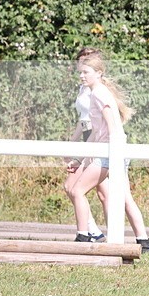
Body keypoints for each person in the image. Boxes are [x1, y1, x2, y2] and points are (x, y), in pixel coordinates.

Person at [63, 52, 149, 252]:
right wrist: (81, 158)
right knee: (122, 197)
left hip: (111, 151)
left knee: (77, 190)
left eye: (86, 72)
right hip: (108, 150)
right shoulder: (96, 92)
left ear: (98, 73)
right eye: (81, 72)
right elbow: (97, 131)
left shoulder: (99, 93)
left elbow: (112, 127)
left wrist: (111, 154)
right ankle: (144, 242)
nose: (82, 76)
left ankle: (84, 236)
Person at [65, 47, 106, 242]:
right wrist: (72, 142)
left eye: (85, 65)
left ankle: (100, 234)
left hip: (96, 137)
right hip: (87, 135)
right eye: (80, 64)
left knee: (104, 193)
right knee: (72, 187)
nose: (81, 69)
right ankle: (94, 231)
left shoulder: (97, 89)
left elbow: (102, 120)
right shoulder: (83, 87)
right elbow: (83, 118)